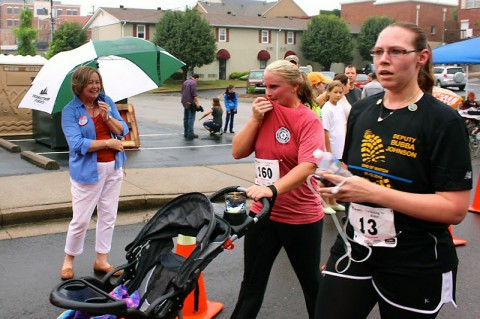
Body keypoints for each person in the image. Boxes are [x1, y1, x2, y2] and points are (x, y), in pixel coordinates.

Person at [315, 22, 472, 319]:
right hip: (356, 246)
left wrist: (374, 192)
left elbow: (454, 209)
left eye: (396, 51)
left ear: (421, 57)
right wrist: (337, 181)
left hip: (414, 259)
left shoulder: (443, 121)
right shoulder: (362, 109)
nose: (383, 59)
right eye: (378, 52)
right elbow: (355, 171)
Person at [230, 60, 325, 319]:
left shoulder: (308, 120)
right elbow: (238, 151)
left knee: (311, 283)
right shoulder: (265, 113)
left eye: (274, 86)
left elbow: (308, 166)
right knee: (251, 284)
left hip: (301, 217)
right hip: (264, 215)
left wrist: (272, 189)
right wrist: (254, 118)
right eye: (265, 86)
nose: (267, 93)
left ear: (294, 86)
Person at [60, 66, 129, 280]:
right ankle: (68, 260)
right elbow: (77, 144)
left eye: (97, 82)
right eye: (90, 82)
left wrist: (108, 117)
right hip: (87, 172)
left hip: (113, 168)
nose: (95, 86)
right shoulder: (70, 111)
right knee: (81, 220)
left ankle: (101, 259)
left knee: (108, 215)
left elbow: (123, 130)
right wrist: (108, 142)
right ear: (79, 85)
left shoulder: (105, 101)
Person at [321, 80, 349, 212]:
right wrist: (328, 151)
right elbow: (325, 131)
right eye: (335, 92)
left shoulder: (340, 107)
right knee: (327, 176)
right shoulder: (327, 108)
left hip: (340, 148)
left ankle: (333, 200)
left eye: (340, 92)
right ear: (328, 93)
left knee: (336, 176)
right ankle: (325, 202)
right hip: (331, 148)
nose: (338, 95)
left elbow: (343, 126)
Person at [181, 73, 203, 139]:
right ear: (196, 78)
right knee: (191, 118)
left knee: (186, 118)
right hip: (191, 102)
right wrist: (198, 104)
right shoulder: (193, 83)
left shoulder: (185, 82)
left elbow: (182, 91)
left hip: (184, 101)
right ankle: (190, 133)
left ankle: (186, 132)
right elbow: (194, 95)